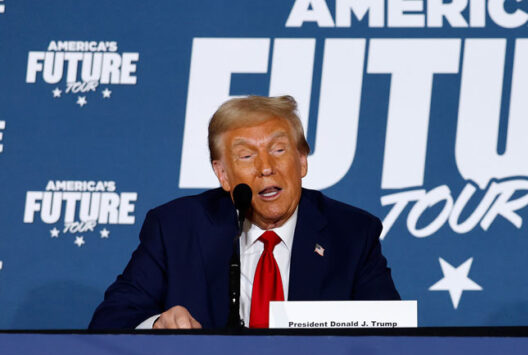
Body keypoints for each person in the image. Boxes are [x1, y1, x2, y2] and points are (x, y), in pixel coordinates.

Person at [89, 95, 400, 329]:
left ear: (302, 160)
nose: (266, 168)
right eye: (247, 155)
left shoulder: (352, 234)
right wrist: (157, 325)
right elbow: (110, 320)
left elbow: (393, 337)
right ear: (223, 174)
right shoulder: (176, 228)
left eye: (279, 150)